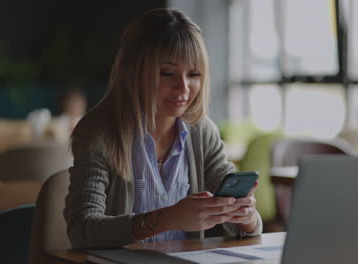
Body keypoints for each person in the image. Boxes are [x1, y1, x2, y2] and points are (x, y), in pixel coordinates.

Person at [64, 8, 262, 248]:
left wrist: (245, 217)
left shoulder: (201, 131)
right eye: (168, 73)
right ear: (134, 71)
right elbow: (82, 230)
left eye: (194, 74)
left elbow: (248, 228)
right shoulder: (99, 133)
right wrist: (167, 218)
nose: (184, 88)